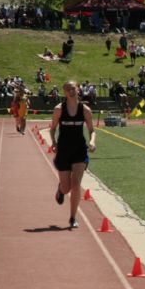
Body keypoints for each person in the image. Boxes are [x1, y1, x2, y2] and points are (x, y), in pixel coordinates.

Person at [49, 80, 97, 229]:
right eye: (68, 88)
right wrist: (54, 142)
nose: (71, 90)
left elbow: (91, 130)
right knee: (67, 188)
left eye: (73, 87)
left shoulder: (85, 110)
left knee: (76, 184)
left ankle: (72, 218)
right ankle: (61, 189)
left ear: (78, 89)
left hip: (79, 150)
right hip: (63, 150)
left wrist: (93, 141)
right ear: (64, 92)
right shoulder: (59, 110)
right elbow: (52, 129)